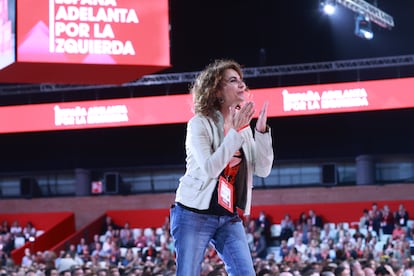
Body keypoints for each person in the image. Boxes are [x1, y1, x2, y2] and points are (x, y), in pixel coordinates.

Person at [170, 59, 274, 276]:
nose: (242, 85)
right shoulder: (199, 123)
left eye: (242, 81)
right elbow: (210, 169)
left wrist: (262, 133)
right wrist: (234, 134)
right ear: (217, 90)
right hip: (193, 214)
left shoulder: (244, 129)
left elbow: (263, 170)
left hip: (228, 215)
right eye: (233, 80)